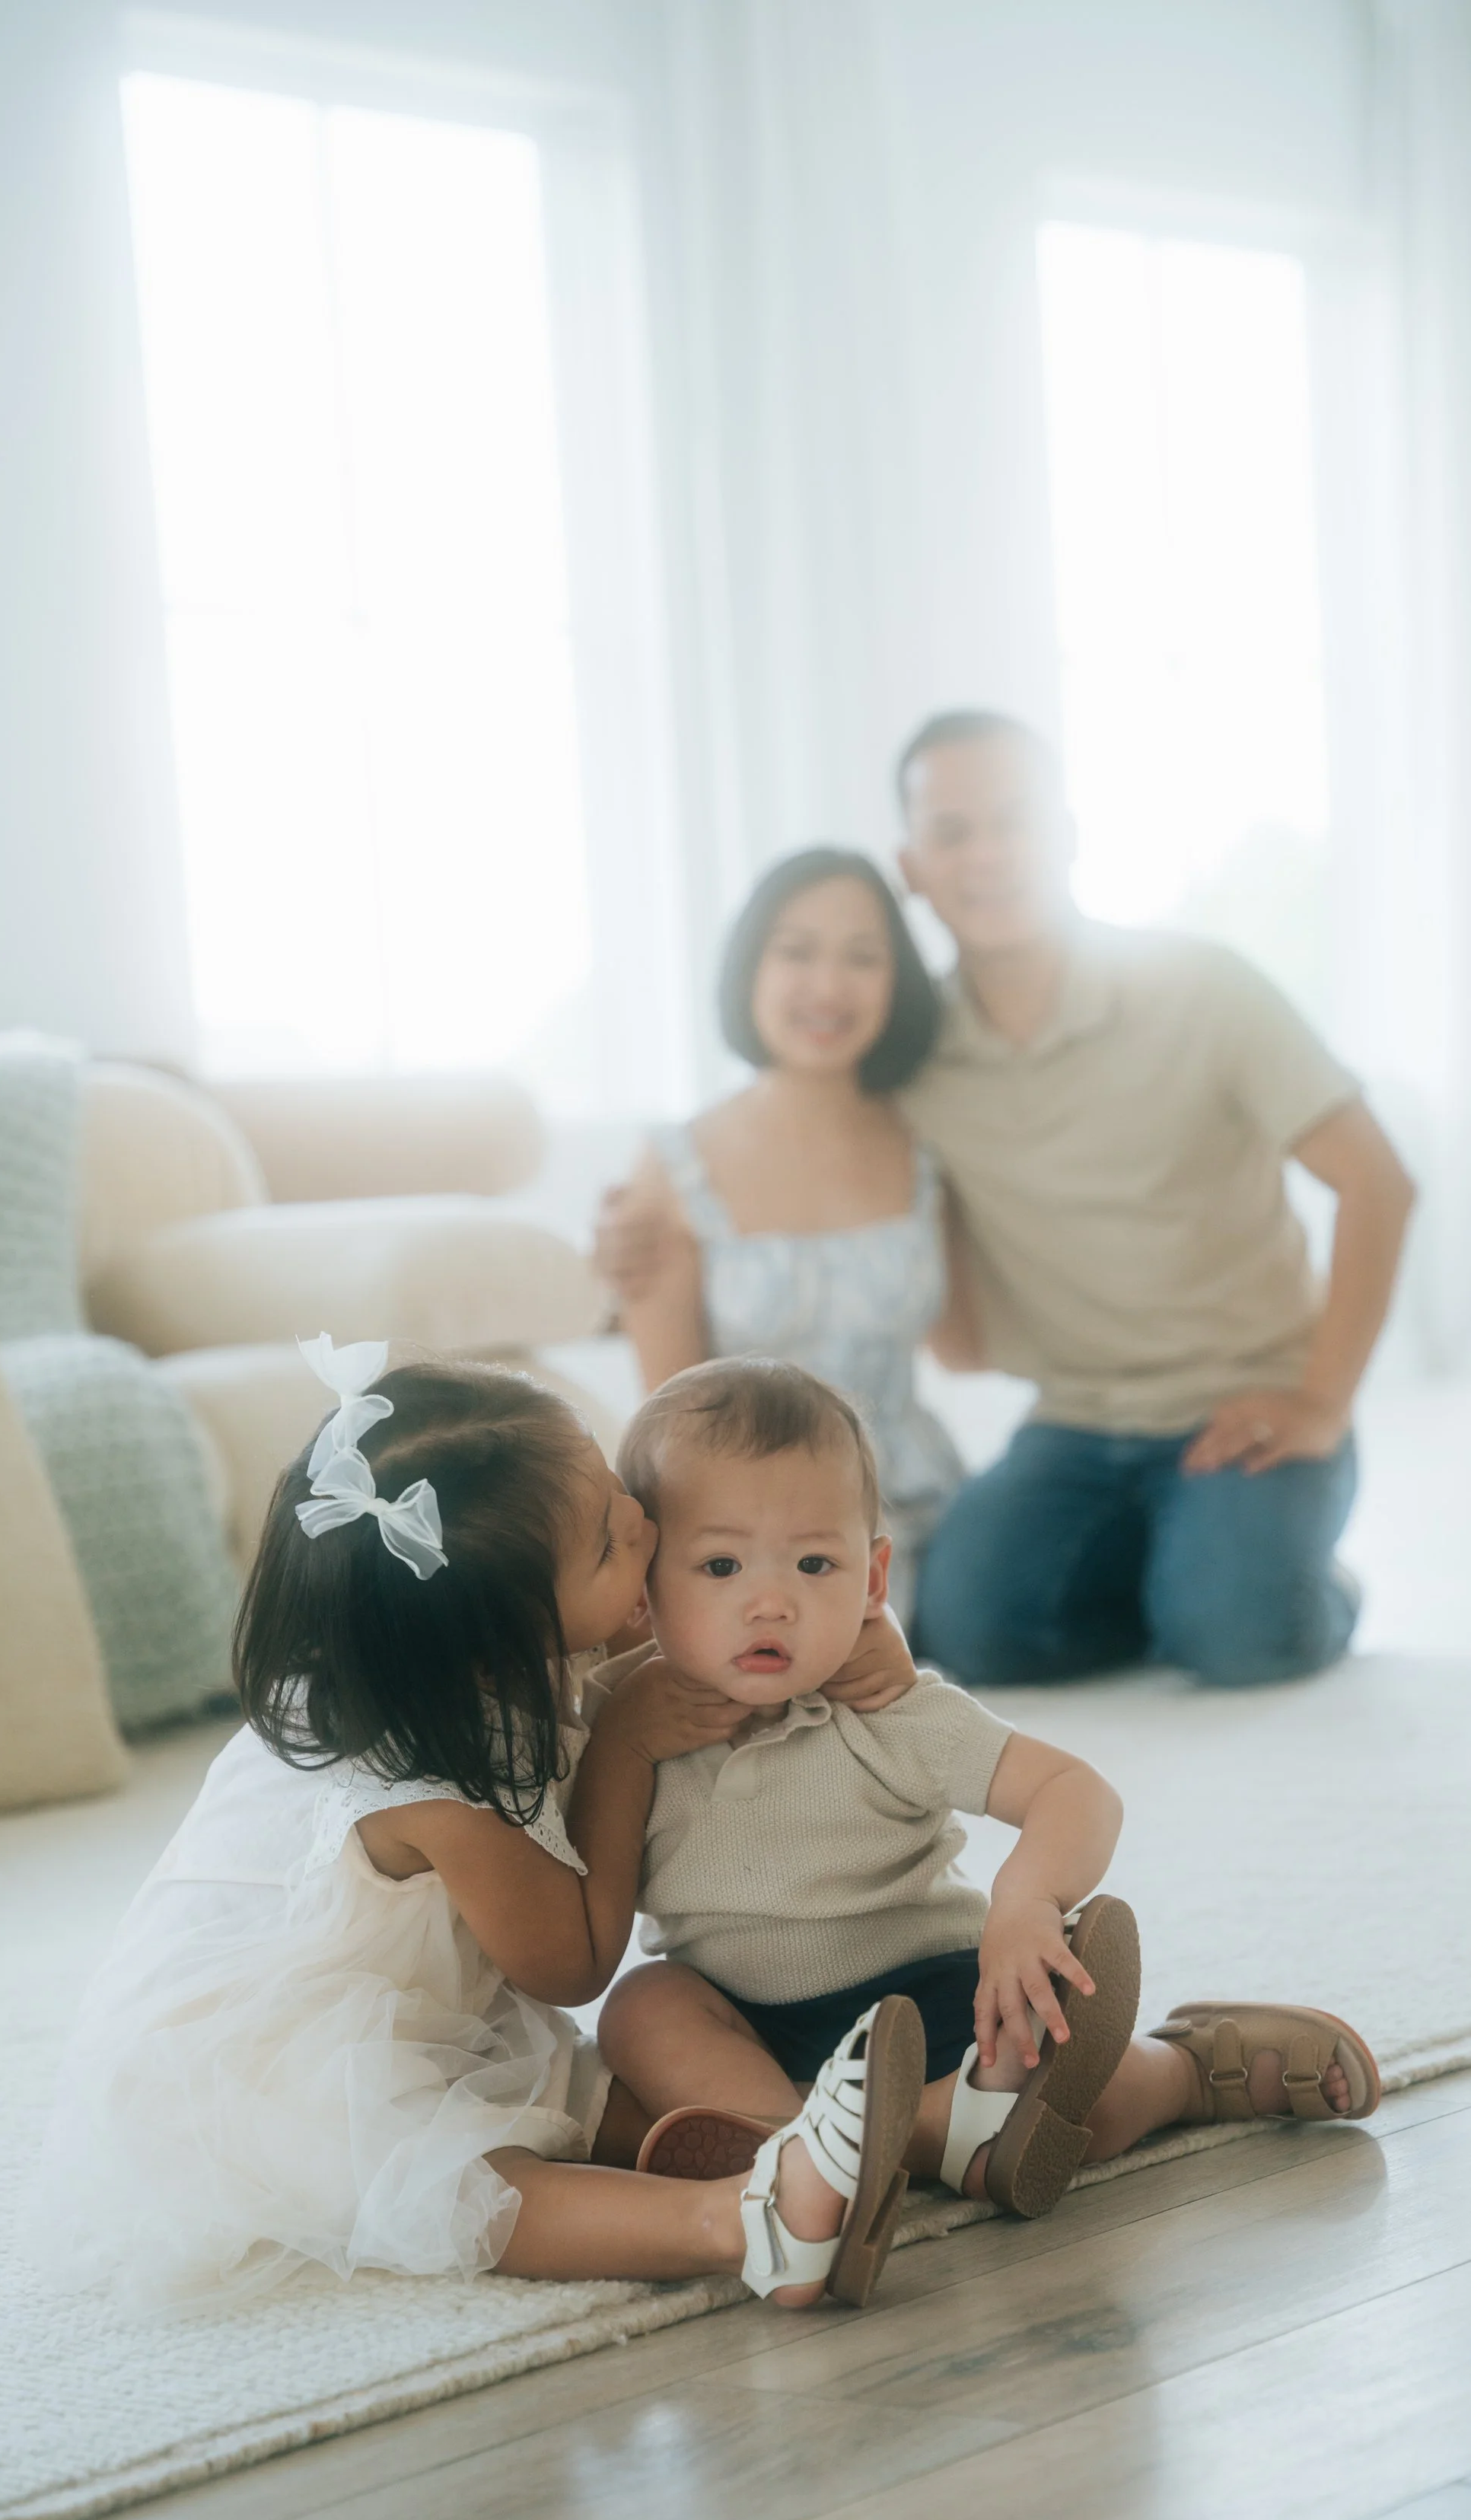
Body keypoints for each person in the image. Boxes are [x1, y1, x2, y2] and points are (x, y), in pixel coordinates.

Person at [26, 1338, 930, 2316]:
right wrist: (622, 1748)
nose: (641, 1516)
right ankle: (738, 2224)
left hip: (415, 2027)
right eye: (606, 1539)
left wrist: (831, 1616)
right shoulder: (422, 1790)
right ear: (512, 1641)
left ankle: (875, 2138)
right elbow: (573, 1963)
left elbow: (702, 1635)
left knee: (630, 2099)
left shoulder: (432, 1666)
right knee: (471, 2184)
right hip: (256, 2090)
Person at [591, 1358, 1383, 2212]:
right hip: (749, 2035)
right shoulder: (622, 1728)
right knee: (642, 2006)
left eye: (814, 1565)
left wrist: (1025, 1902)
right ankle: (836, 2155)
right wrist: (620, 1737)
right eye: (720, 1568)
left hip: (936, 2003)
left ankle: (1188, 2068)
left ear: (872, 1580)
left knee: (1092, 2103)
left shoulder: (889, 1709)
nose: (771, 1602)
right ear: (641, 1592)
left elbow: (1075, 1791)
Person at [893, 709, 1418, 1688]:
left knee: (1237, 1639)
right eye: (952, 832)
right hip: (1073, 1419)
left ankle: (1272, 1584)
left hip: (1247, 1402)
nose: (988, 854)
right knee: (967, 1633)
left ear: (1069, 834)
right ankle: (1185, 1575)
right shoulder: (913, 1057)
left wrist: (1320, 1400)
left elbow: (1376, 1180)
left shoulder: (1200, 987)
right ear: (911, 865)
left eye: (1014, 820)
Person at [595, 846, 973, 1620]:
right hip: (764, 1529)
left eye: (862, 957)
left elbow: (969, 1346)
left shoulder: (928, 1141)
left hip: (924, 1505)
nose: (828, 987)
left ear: (895, 980)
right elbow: (666, 1421)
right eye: (796, 951)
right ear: (750, 967)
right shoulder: (672, 1165)